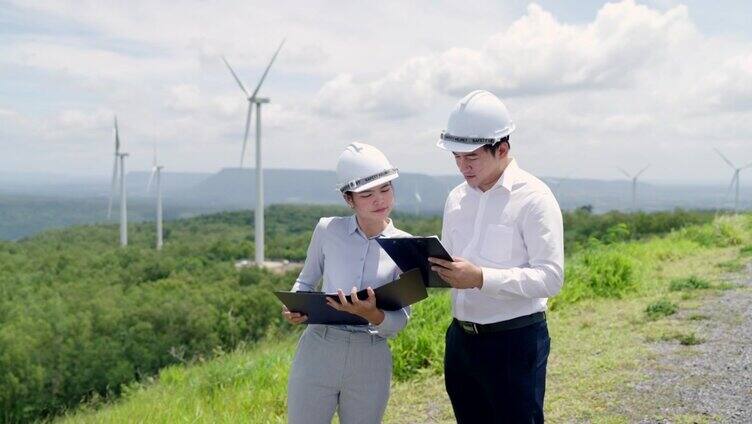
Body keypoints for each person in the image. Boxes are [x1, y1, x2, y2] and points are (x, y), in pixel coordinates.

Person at [428, 90, 564, 423]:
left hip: (514, 342)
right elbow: (451, 264)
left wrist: (481, 278)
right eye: (456, 157)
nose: (462, 166)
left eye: (471, 157)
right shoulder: (456, 198)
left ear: (502, 149)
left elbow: (550, 277)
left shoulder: (534, 198)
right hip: (460, 340)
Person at [284, 142, 411, 424]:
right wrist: (295, 306)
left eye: (386, 189)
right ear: (348, 199)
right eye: (367, 194)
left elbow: (401, 320)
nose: (380, 200)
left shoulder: (406, 245)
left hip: (371, 354)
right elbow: (305, 281)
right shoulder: (328, 230)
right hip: (319, 349)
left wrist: (372, 314)